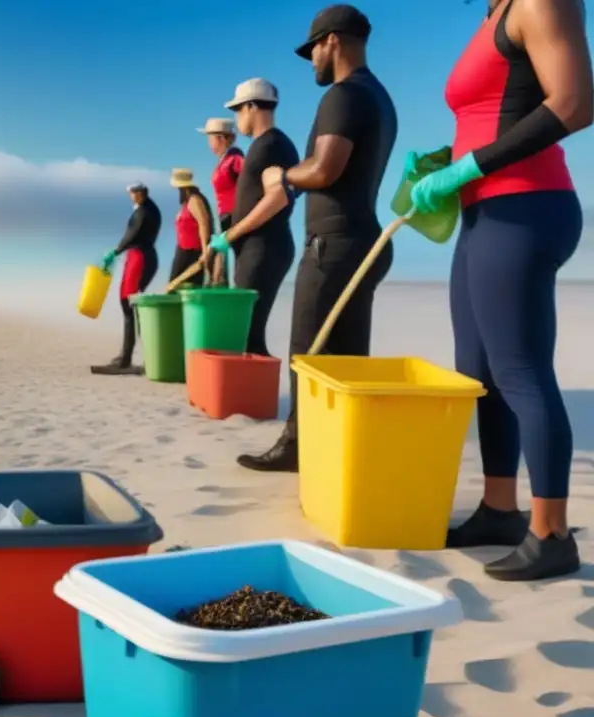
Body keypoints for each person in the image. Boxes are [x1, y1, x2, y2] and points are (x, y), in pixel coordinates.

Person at [407, 0, 591, 581]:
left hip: (524, 206)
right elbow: (497, 109)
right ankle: (499, 510)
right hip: (483, 214)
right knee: (479, 371)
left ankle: (552, 532)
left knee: (520, 372)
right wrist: (448, 162)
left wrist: (469, 168)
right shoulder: (493, 14)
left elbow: (575, 102)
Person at [236, 4, 397, 472]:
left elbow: (326, 169)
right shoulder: (379, 96)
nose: (311, 61)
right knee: (346, 360)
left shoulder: (344, 96)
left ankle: (297, 446)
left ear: (333, 41)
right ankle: (341, 449)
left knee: (308, 353)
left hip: (334, 243)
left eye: (313, 50)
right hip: (362, 239)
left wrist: (282, 175)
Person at [204, 79, 300, 357]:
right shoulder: (266, 145)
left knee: (248, 334)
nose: (237, 118)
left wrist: (231, 234)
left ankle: (254, 399)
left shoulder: (272, 144)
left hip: (264, 248)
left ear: (250, 107)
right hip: (257, 249)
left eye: (238, 110)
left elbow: (279, 196)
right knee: (248, 334)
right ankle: (251, 398)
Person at [91, 182, 161, 375]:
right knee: (130, 306)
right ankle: (126, 355)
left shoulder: (143, 211)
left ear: (140, 194)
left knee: (128, 305)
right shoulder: (149, 208)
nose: (131, 196)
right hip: (141, 257)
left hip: (140, 258)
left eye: (132, 193)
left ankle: (125, 360)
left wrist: (116, 251)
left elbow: (133, 234)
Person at [198, 118, 244, 283]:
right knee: (220, 266)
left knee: (229, 264)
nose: (209, 143)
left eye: (210, 137)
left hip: (235, 217)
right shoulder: (223, 161)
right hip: (225, 218)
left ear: (221, 138)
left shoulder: (235, 159)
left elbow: (251, 182)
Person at [168, 168, 214, 287]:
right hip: (183, 249)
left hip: (191, 252)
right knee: (176, 286)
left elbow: (203, 223)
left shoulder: (194, 200)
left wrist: (205, 251)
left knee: (177, 287)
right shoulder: (187, 202)